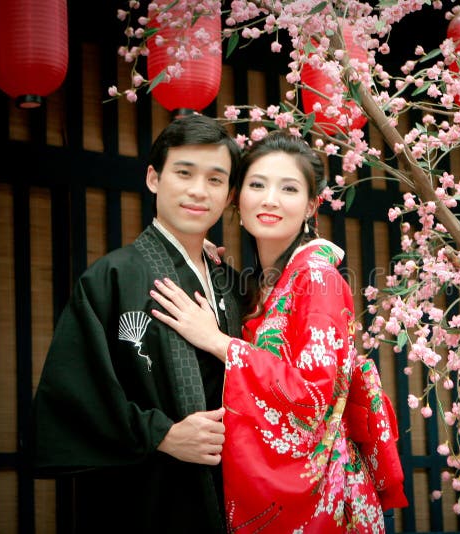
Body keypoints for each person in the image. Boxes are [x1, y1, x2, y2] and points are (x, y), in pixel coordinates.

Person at [150, 130, 407, 532]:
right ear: (238, 198)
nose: (270, 199)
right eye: (257, 185)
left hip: (325, 497)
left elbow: (312, 396)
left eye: (288, 188)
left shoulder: (317, 278)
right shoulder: (268, 282)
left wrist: (220, 343)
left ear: (311, 205)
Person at [30, 114, 243, 534]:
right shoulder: (112, 276)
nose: (199, 191)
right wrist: (161, 434)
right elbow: (74, 394)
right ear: (153, 178)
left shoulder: (232, 283)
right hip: (142, 496)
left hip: (231, 494)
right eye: (184, 173)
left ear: (229, 194)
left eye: (216, 180)